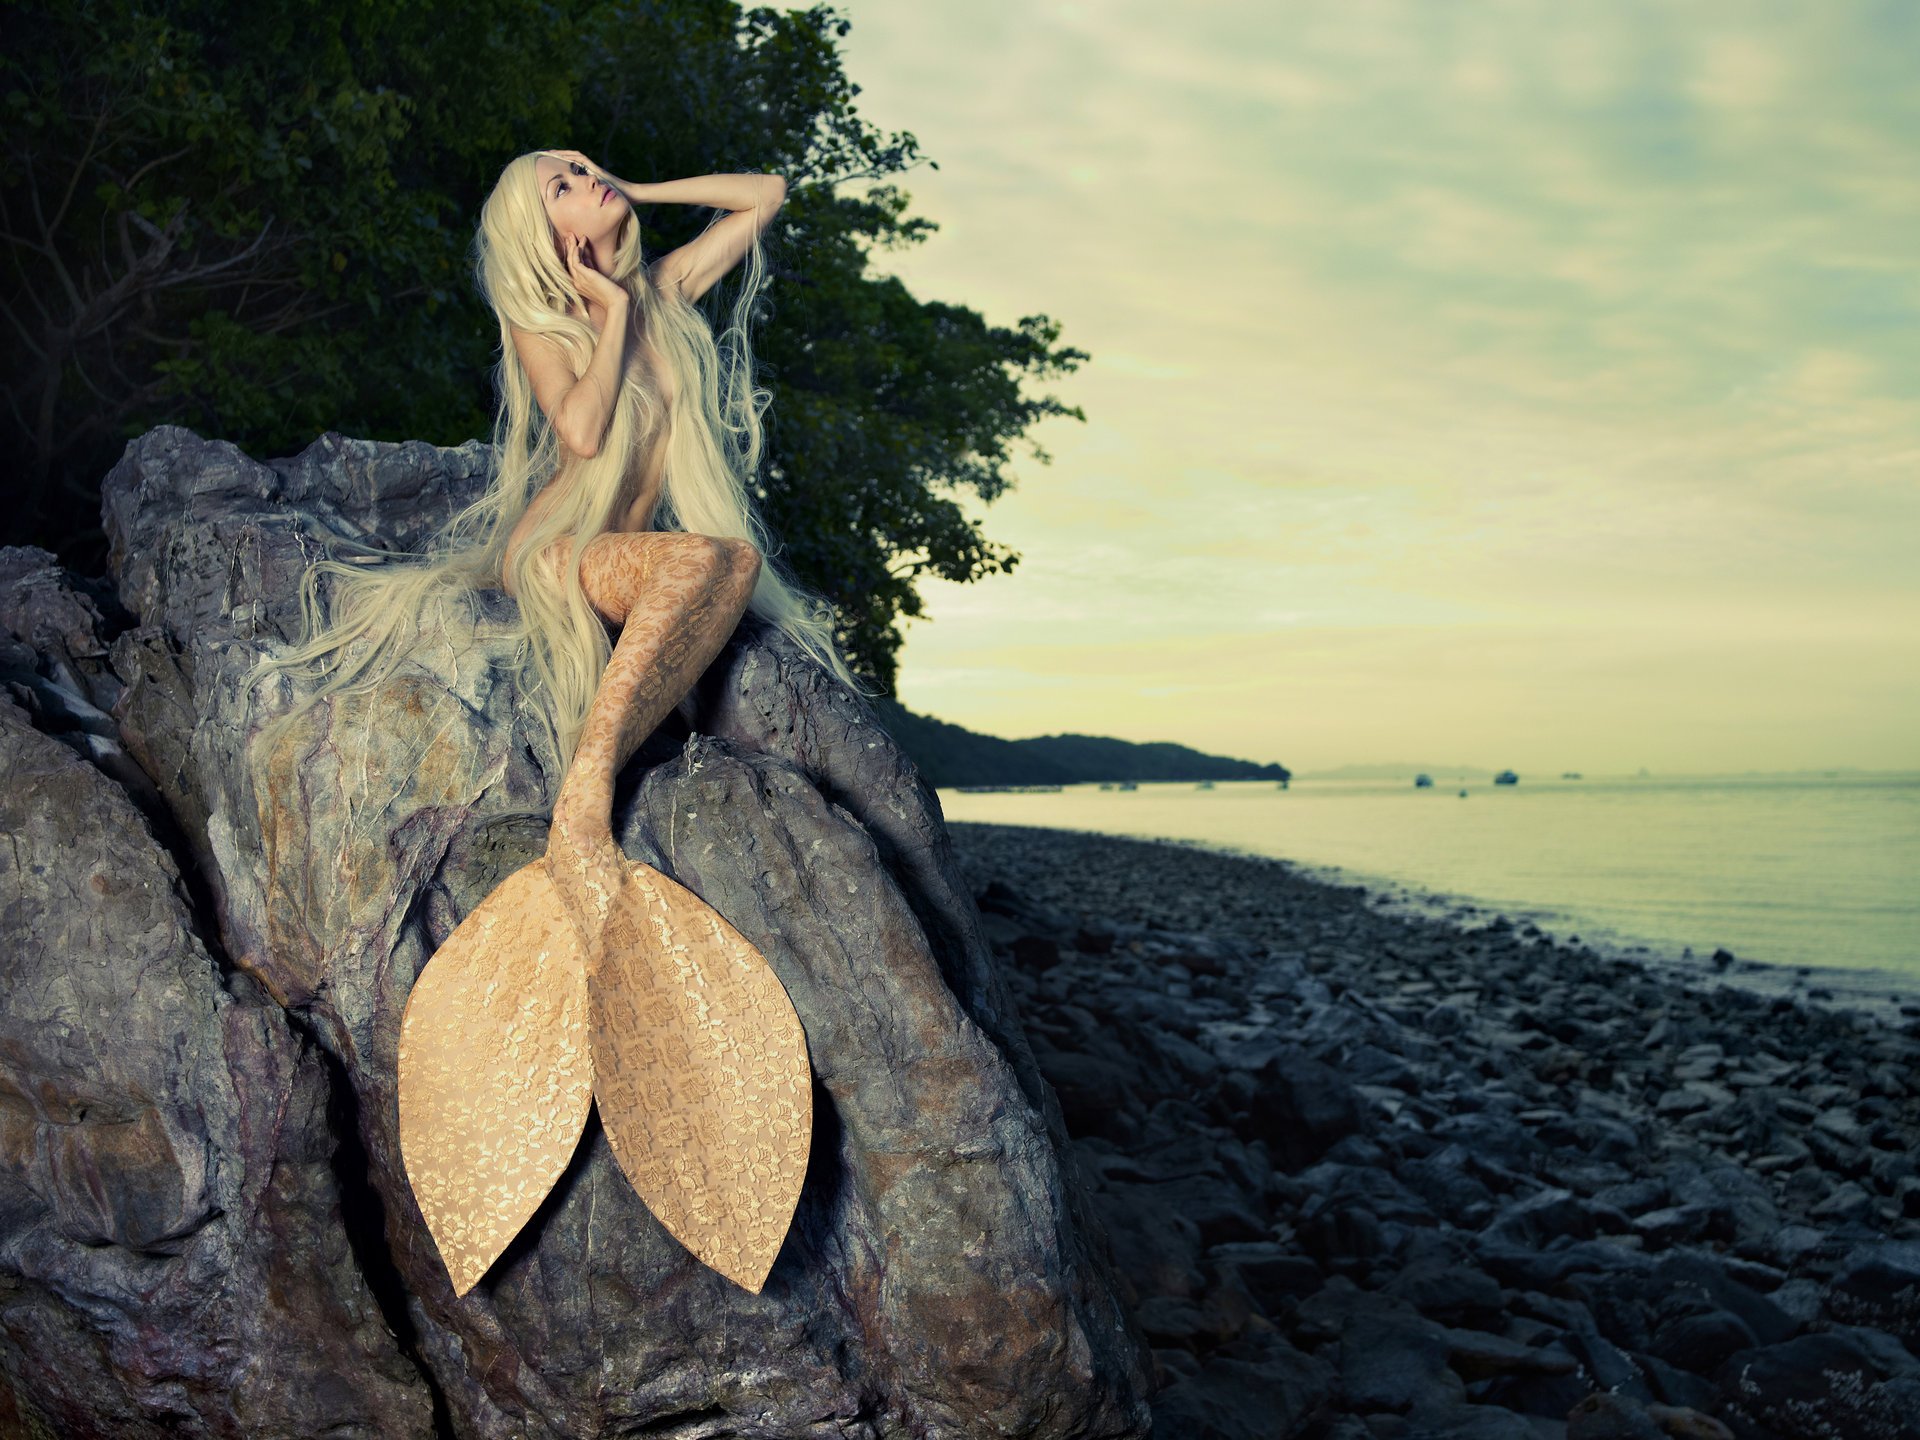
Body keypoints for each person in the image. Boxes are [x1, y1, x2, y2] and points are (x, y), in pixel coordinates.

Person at [258, 147, 874, 942]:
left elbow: (766, 194)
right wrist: (610, 313)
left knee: (739, 560)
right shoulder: (545, 325)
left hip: (620, 552)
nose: (590, 180)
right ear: (548, 237)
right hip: (555, 549)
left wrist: (643, 184)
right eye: (565, 185)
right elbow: (581, 433)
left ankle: (599, 771)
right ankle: (584, 795)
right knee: (697, 558)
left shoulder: (663, 292)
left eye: (585, 168)